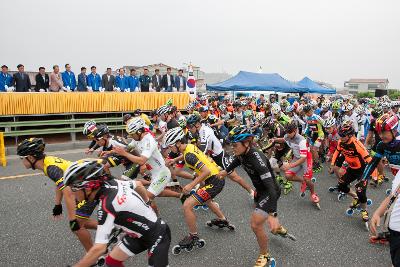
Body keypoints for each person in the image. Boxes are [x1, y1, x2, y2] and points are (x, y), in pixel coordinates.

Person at [63, 160, 171, 267]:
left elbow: (99, 248)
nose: (72, 193)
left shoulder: (107, 205)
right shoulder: (112, 183)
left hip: (157, 235)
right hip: (137, 235)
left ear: (88, 187)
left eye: (74, 188)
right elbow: (138, 184)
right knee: (112, 262)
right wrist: (148, 203)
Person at [218, 125, 295, 267]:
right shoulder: (242, 153)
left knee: (255, 224)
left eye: (235, 145)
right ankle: (277, 228)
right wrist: (226, 171)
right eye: (231, 145)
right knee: (264, 220)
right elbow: (237, 160)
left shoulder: (256, 159)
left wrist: (272, 212)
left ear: (246, 143)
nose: (232, 149)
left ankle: (265, 254)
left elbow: (271, 188)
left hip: (270, 191)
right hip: (260, 191)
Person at [16, 138, 97, 252]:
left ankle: (94, 257)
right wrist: (58, 204)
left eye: (21, 158)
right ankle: (109, 228)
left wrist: (72, 219)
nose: (21, 161)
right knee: (82, 222)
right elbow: (60, 183)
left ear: (30, 158)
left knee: (76, 226)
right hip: (83, 184)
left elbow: (68, 193)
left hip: (89, 187)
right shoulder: (47, 161)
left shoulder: (50, 168)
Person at [164, 127, 233, 250]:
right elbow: (185, 156)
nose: (170, 149)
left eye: (170, 146)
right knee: (206, 200)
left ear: (178, 143)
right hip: (215, 178)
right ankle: (223, 219)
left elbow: (205, 171)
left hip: (214, 181)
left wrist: (191, 185)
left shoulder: (188, 155)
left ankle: (193, 236)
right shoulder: (189, 147)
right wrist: (174, 159)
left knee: (187, 205)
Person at [366, 115, 400, 267]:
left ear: (394, 130)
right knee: (393, 207)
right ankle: (392, 233)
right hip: (397, 179)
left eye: (384, 132)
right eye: (379, 132)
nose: (381, 135)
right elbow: (373, 162)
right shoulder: (381, 144)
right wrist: (363, 179)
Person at [331, 120, 372, 228]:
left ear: (350, 135)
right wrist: (332, 164)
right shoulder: (341, 142)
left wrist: (372, 174)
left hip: (362, 170)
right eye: (340, 135)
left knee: (361, 190)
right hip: (352, 169)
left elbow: (370, 160)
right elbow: (336, 152)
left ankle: (364, 210)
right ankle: (356, 198)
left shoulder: (356, 144)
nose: (340, 137)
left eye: (343, 135)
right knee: (341, 185)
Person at [275, 121, 320, 208]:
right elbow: (284, 139)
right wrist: (275, 139)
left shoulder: (301, 140)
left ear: (295, 130)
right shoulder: (287, 135)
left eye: (290, 132)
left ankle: (313, 193)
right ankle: (303, 182)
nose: (288, 134)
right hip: (296, 157)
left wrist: (290, 165)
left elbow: (303, 158)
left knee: (307, 179)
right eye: (286, 132)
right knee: (288, 176)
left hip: (306, 159)